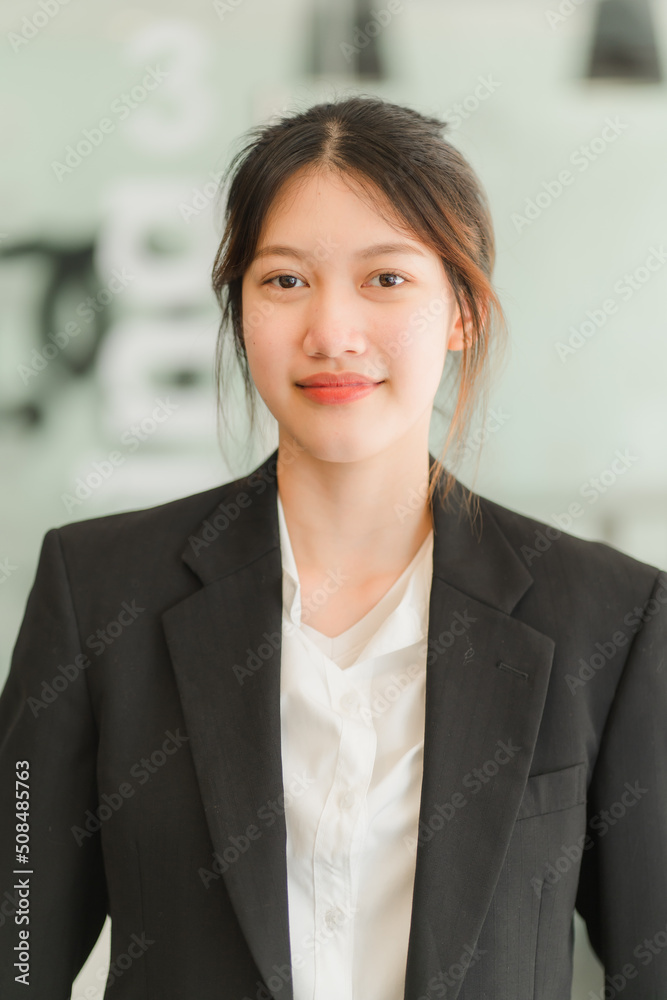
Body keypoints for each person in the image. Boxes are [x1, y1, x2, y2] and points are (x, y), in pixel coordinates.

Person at [0, 94, 665, 1000]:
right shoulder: (99, 592)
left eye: (386, 279)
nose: (332, 335)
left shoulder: (607, 618)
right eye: (284, 280)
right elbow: (18, 943)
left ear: (460, 310)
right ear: (239, 305)